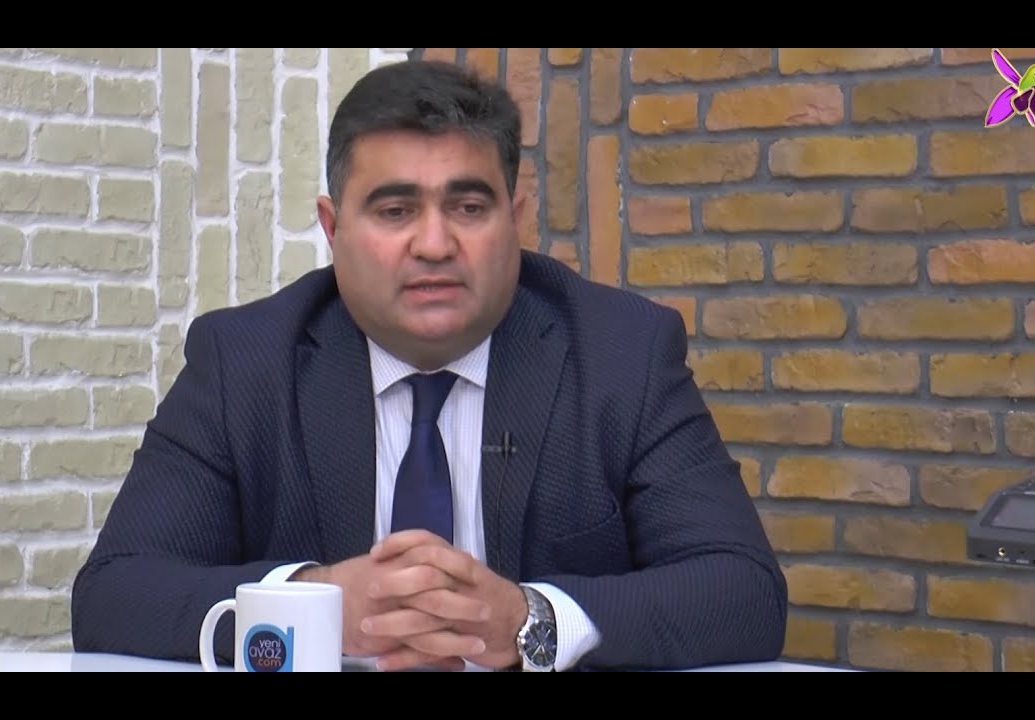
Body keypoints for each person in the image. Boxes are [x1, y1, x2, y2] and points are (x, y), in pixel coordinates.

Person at [71, 58, 787, 672]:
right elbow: (113, 594)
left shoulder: (622, 353)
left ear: (516, 219)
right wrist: (314, 605)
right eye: (395, 211)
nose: (435, 244)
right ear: (332, 228)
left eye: (469, 207)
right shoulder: (245, 361)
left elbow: (743, 592)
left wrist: (529, 620)